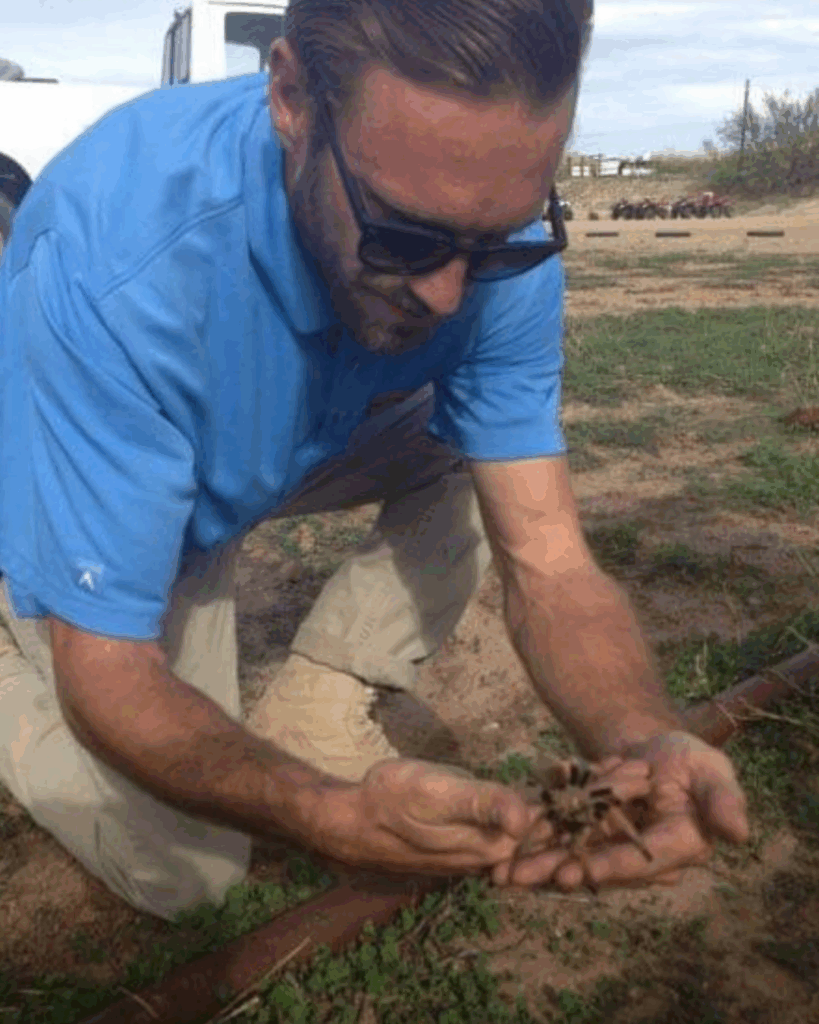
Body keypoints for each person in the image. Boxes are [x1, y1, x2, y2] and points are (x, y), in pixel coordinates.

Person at [0, 0, 748, 923]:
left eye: (497, 241)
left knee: (489, 462)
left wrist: (641, 736)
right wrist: (319, 811)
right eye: (403, 236)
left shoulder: (484, 228)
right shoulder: (111, 257)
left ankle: (319, 698)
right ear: (291, 99)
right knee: (183, 875)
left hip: (289, 441)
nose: (446, 294)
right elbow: (110, 669)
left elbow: (549, 561)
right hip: (137, 488)